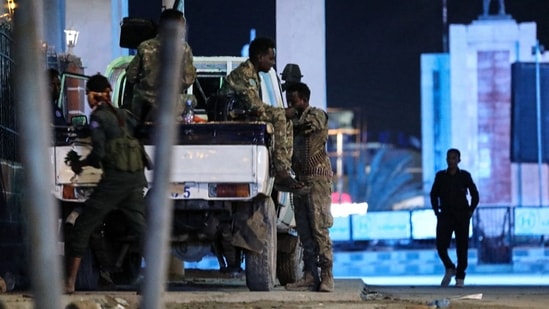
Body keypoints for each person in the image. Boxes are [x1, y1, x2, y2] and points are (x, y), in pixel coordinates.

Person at [63, 73, 147, 294]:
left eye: (88, 94)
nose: (88, 99)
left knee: (83, 226)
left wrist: (80, 164)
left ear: (94, 94)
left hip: (115, 180)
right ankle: (154, 280)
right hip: (136, 177)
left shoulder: (98, 117)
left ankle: (69, 282)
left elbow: (99, 152)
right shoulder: (122, 114)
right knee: (142, 229)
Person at [221, 37, 309, 196]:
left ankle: (283, 168)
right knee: (281, 117)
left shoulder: (253, 75)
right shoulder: (244, 75)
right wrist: (282, 113)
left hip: (241, 117)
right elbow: (255, 106)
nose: (273, 62)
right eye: (271, 58)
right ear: (259, 57)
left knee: (284, 118)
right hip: (231, 119)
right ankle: (281, 172)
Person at [283, 82, 334, 292]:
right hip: (301, 180)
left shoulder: (316, 115)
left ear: (304, 100)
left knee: (319, 229)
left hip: (317, 180)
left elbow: (309, 127)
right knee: (304, 232)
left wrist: (286, 118)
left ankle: (327, 276)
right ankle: (310, 275)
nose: (291, 105)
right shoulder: (291, 120)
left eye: (294, 101)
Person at [125, 8, 196, 123]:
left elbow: (130, 76)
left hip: (143, 108)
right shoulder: (183, 48)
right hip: (169, 106)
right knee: (192, 100)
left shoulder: (145, 47)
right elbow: (188, 79)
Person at [430, 148, 479, 288]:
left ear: (459, 160)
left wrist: (470, 211)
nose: (451, 160)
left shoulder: (464, 176)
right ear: (446, 160)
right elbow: (433, 194)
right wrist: (436, 211)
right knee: (440, 246)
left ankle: (460, 276)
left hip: (462, 216)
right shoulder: (440, 176)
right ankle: (450, 267)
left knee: (462, 248)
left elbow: (475, 195)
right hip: (445, 215)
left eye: (454, 158)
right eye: (449, 158)